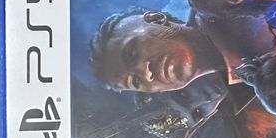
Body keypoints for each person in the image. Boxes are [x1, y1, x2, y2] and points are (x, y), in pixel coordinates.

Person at [89, 9, 227, 93]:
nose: (146, 73)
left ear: (157, 20)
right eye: (135, 82)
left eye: (133, 54)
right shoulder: (233, 87)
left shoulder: (225, 6)